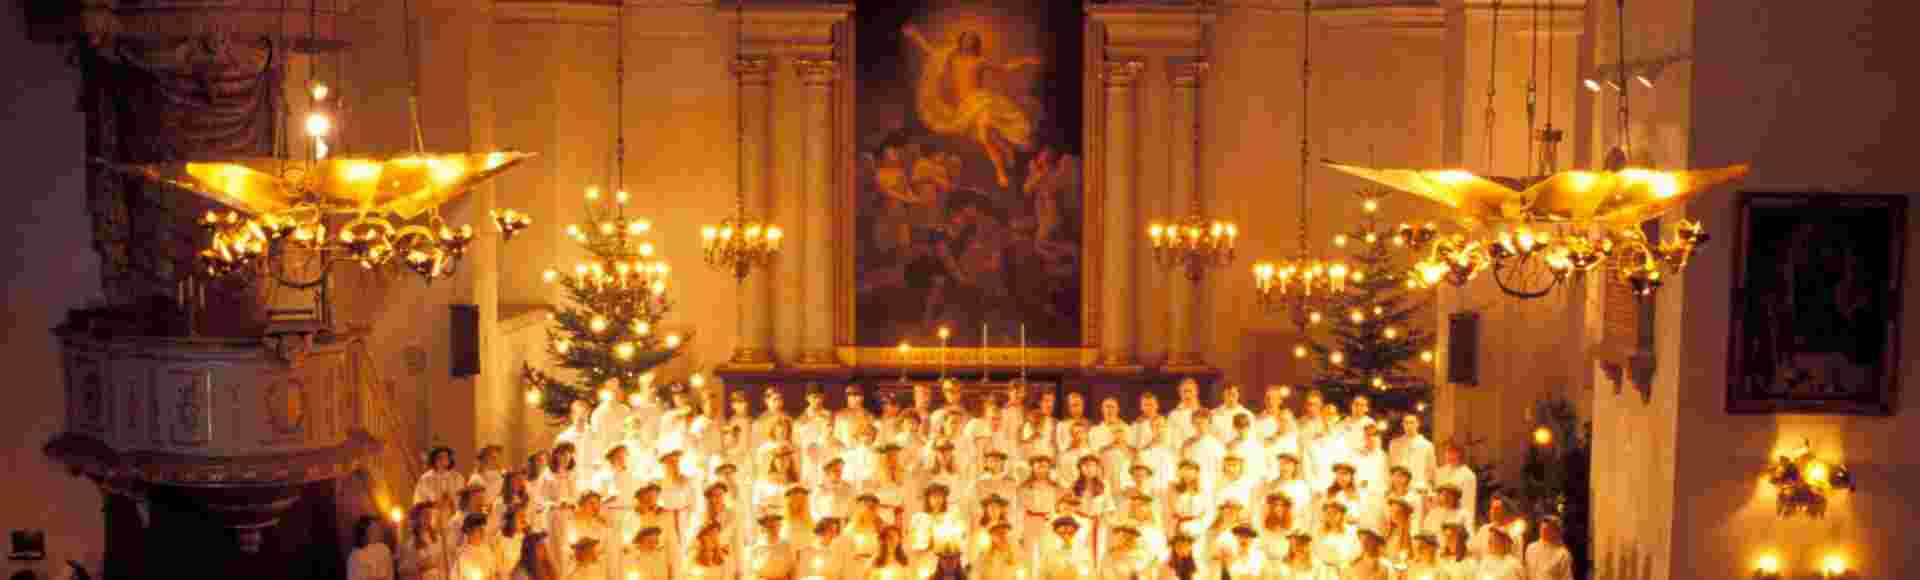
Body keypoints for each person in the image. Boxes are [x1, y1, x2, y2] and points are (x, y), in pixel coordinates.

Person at [902, 24, 1042, 188]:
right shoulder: (954, 59)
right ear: (961, 42)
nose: (968, 42)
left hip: (981, 100)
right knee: (986, 138)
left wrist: (1026, 61)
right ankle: (1004, 150)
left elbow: (1005, 68)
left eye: (971, 39)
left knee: (985, 131)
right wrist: (916, 36)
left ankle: (1000, 171)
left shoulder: (980, 61)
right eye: (966, 39)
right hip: (965, 107)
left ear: (975, 43)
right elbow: (931, 51)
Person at [909, 483, 967, 556]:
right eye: (934, 497)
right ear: (928, 499)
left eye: (940, 496)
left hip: (945, 556)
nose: (937, 500)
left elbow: (960, 537)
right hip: (925, 556)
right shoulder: (919, 518)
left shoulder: (950, 517)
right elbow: (914, 540)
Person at [400, 502, 449, 580]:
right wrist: (420, 566)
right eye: (425, 515)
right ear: (417, 518)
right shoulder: (411, 543)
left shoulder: (437, 538)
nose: (428, 518)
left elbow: (443, 561)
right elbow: (407, 569)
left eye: (429, 515)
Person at [1434, 442, 1478, 524]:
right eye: (1448, 452)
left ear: (1460, 454)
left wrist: (1466, 522)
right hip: (1440, 516)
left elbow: (1468, 504)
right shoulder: (1440, 472)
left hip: (1457, 518)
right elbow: (1436, 496)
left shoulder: (1468, 475)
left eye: (1454, 453)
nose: (1450, 456)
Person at [1389, 414, 1437, 488]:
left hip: (1419, 485)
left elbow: (1431, 468)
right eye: (1406, 423)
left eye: (1412, 422)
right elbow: (1392, 465)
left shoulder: (1427, 445)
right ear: (1403, 425)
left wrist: (1429, 484)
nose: (1409, 425)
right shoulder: (1395, 444)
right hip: (1400, 486)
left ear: (1417, 424)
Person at [747, 512, 795, 580]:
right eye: (768, 523)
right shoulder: (757, 547)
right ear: (763, 527)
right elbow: (751, 572)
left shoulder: (786, 545)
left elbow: (792, 569)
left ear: (780, 525)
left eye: (775, 522)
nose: (771, 524)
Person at [347, 516, 394, 580]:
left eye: (378, 529)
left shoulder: (384, 550)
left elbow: (390, 575)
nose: (378, 532)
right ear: (364, 533)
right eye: (373, 530)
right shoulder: (355, 556)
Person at [455, 514, 500, 580]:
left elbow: (494, 571)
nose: (483, 532)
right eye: (479, 530)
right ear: (469, 531)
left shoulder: (487, 550)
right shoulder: (462, 555)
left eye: (483, 529)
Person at [470, 446, 508, 511]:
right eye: (492, 457)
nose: (494, 460)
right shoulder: (475, 478)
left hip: (499, 509)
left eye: (495, 458)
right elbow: (474, 500)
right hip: (484, 511)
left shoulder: (501, 475)